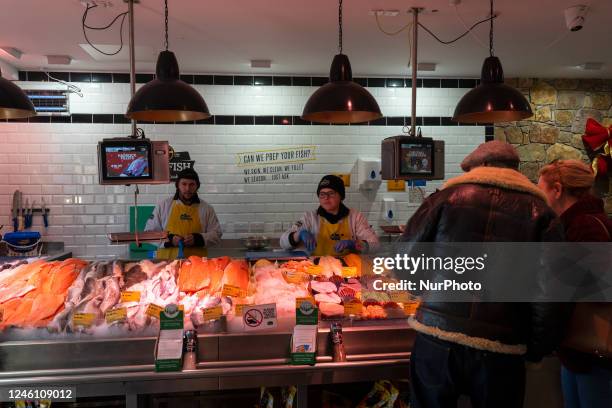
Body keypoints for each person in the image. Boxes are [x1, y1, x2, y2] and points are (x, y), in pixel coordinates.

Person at [401, 140, 568, 408]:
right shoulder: (543, 214)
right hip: (502, 348)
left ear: (481, 167)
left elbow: (405, 258)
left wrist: (423, 294)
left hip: (437, 337)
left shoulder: (445, 198)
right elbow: (550, 293)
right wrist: (537, 348)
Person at [538, 159, 612, 408]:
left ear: (557, 190)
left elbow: (601, 289)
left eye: (541, 190)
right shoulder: (576, 224)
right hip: (578, 351)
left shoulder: (585, 227)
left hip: (593, 354)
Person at [280, 175, 379, 255]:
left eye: (331, 193)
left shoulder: (355, 217)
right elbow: (283, 242)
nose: (326, 198)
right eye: (322, 194)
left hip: (348, 270)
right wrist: (299, 234)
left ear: (341, 196)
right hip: (315, 269)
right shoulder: (309, 218)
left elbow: (375, 246)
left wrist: (354, 244)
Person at [145, 168, 222, 259]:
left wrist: (198, 239)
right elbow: (149, 234)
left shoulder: (207, 209)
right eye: (184, 184)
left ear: (197, 186)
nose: (187, 188)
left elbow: (217, 234)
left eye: (192, 184)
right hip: (167, 264)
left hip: (197, 265)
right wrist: (169, 239)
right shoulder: (164, 206)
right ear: (178, 185)